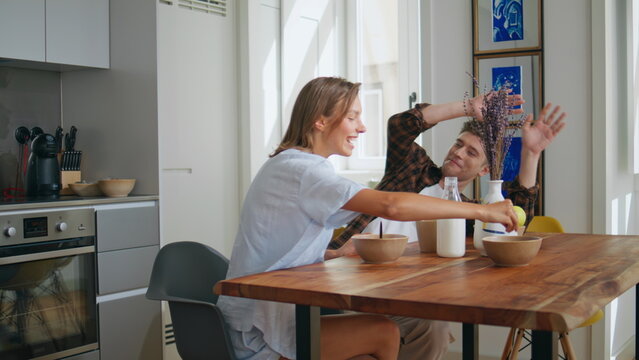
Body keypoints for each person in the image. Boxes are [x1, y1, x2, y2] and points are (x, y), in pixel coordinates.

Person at [217, 77, 518, 360]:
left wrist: (328, 253)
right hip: (261, 334)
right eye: (353, 117)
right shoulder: (305, 171)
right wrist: (483, 210)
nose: (362, 128)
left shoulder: (293, 165)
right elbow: (390, 206)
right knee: (383, 332)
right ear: (320, 121)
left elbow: (279, 242)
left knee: (403, 331)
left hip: (266, 318)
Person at [325, 96, 566, 360]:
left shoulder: (470, 213)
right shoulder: (413, 170)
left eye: (471, 152)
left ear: (485, 169)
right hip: (348, 287)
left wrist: (530, 154)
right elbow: (400, 126)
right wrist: (466, 108)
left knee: (434, 326)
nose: (458, 153)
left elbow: (515, 218)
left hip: (400, 298)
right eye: (458, 144)